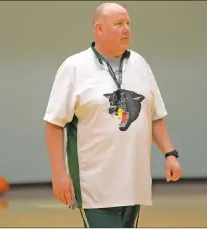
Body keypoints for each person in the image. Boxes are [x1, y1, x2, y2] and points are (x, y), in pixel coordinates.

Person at [43, 3, 182, 228]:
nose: (126, 29)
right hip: (95, 186)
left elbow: (154, 115)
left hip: (133, 183)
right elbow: (53, 124)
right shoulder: (74, 67)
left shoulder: (140, 64)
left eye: (128, 24)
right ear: (99, 29)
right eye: (119, 24)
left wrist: (170, 154)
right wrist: (59, 174)